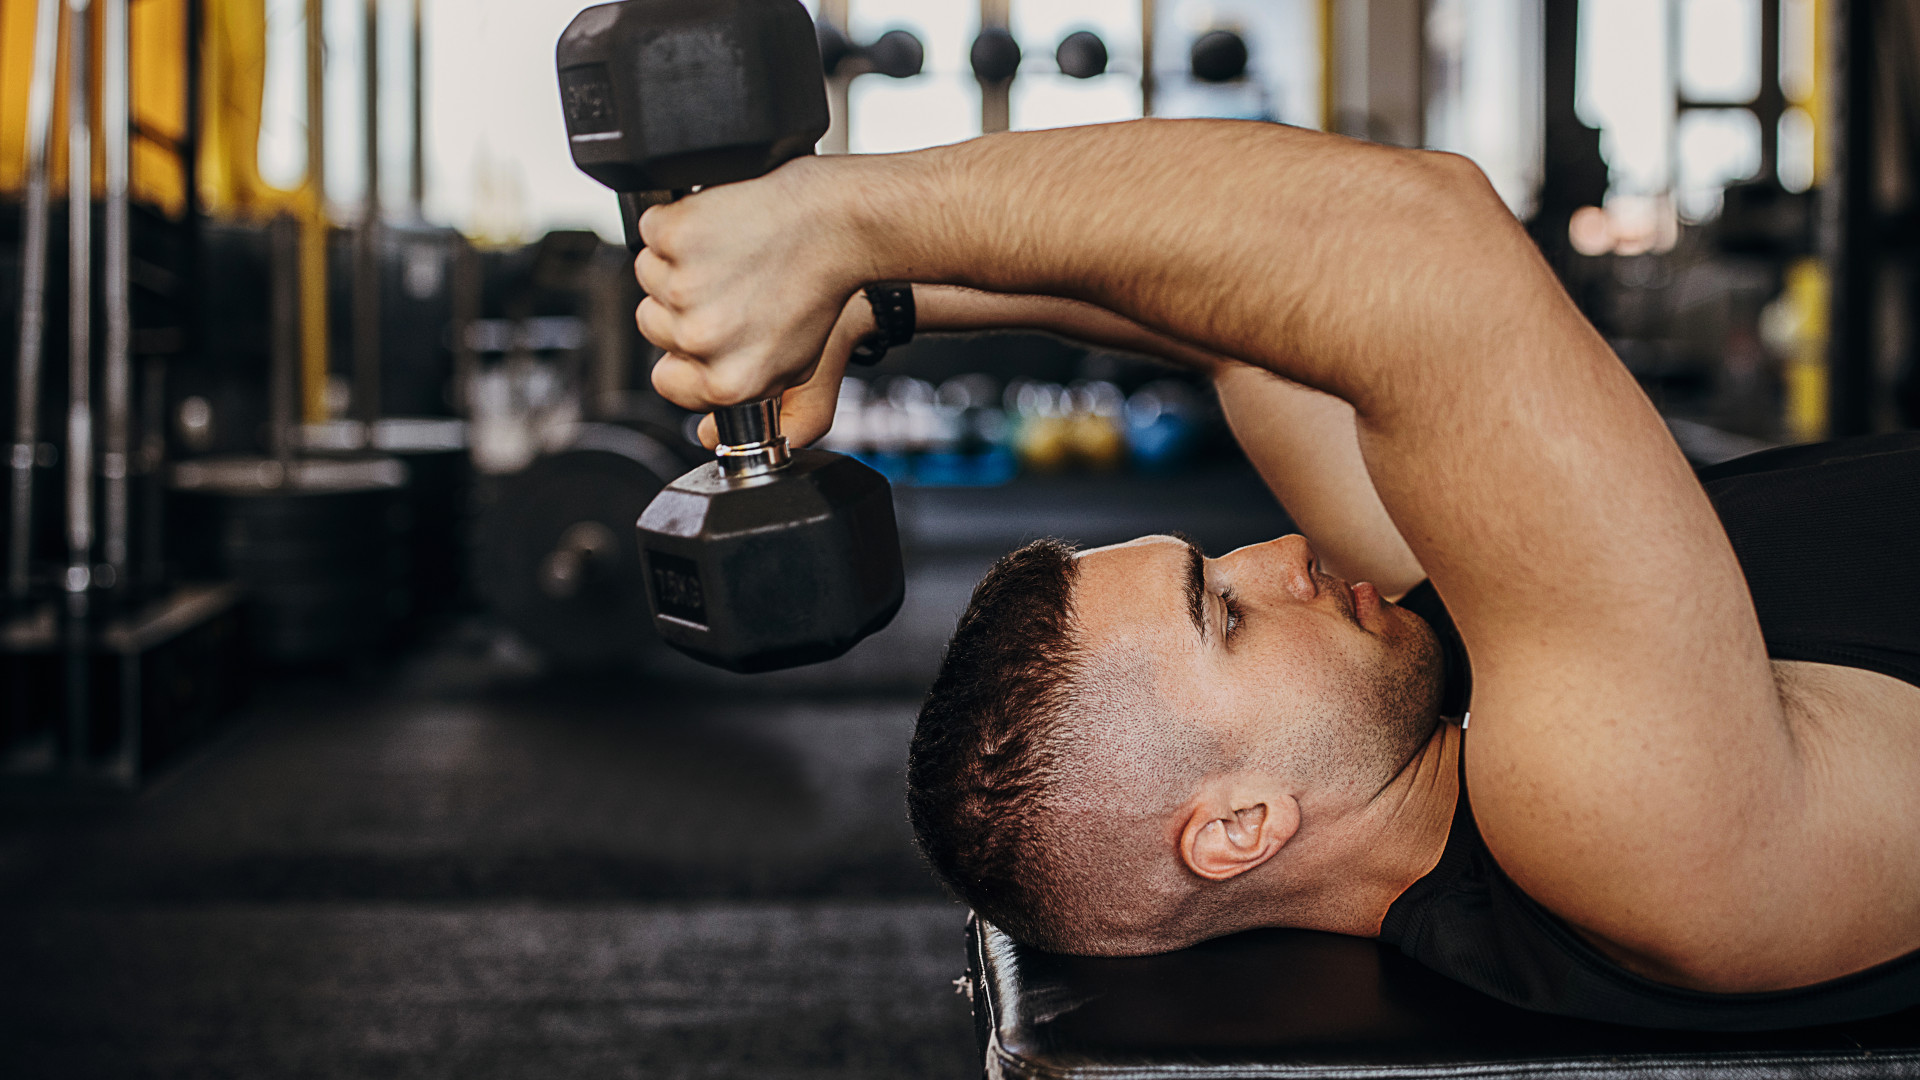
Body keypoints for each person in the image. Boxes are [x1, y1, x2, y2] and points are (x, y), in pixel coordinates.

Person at [630, 120, 1920, 1030]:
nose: (1286, 553)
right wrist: (842, 213)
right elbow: (1421, 243)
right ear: (1240, 826)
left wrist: (871, 292)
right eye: (1225, 612)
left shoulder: (1451, 665)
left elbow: (1257, 338)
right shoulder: (1616, 826)